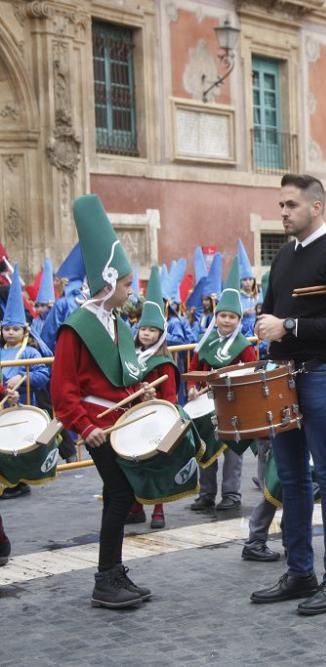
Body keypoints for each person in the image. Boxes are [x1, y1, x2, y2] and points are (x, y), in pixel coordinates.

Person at [251, 174, 326, 617]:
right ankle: (301, 571)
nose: (283, 212)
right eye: (280, 205)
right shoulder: (281, 260)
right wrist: (265, 323)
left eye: (291, 205)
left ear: (316, 207)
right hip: (282, 378)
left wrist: (289, 326)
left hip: (323, 376)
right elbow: (274, 311)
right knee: (291, 478)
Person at [52, 194, 158, 609]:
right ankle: (104, 579)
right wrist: (86, 426)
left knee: (121, 495)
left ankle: (112, 572)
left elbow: (118, 378)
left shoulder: (116, 323)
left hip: (120, 423)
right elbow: (62, 391)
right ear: (109, 282)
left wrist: (139, 392)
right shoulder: (74, 328)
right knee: (117, 495)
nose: (133, 290)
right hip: (100, 429)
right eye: (129, 283)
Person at [187, 260, 258, 513]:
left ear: (238, 320)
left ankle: (231, 494)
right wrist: (193, 387)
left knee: (232, 452)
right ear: (216, 317)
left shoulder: (245, 348)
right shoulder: (205, 343)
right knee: (206, 448)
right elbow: (194, 371)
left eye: (231, 317)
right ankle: (206, 493)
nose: (226, 321)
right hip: (207, 406)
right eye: (223, 316)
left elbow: (252, 374)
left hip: (233, 405)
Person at [124, 267, 178, 530]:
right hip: (132, 417)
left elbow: (170, 397)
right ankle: (135, 507)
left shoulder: (164, 363)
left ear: (160, 335)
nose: (146, 333)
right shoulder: (129, 358)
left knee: (155, 464)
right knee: (132, 461)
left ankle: (159, 509)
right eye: (143, 329)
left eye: (152, 330)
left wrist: (155, 395)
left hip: (155, 420)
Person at [0, 266, 52, 500]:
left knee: (16, 446)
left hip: (22, 405)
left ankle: (18, 483)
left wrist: (24, 378)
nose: (10, 333)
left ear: (24, 330)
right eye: (7, 329)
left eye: (15, 329)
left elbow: (43, 375)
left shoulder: (30, 352)